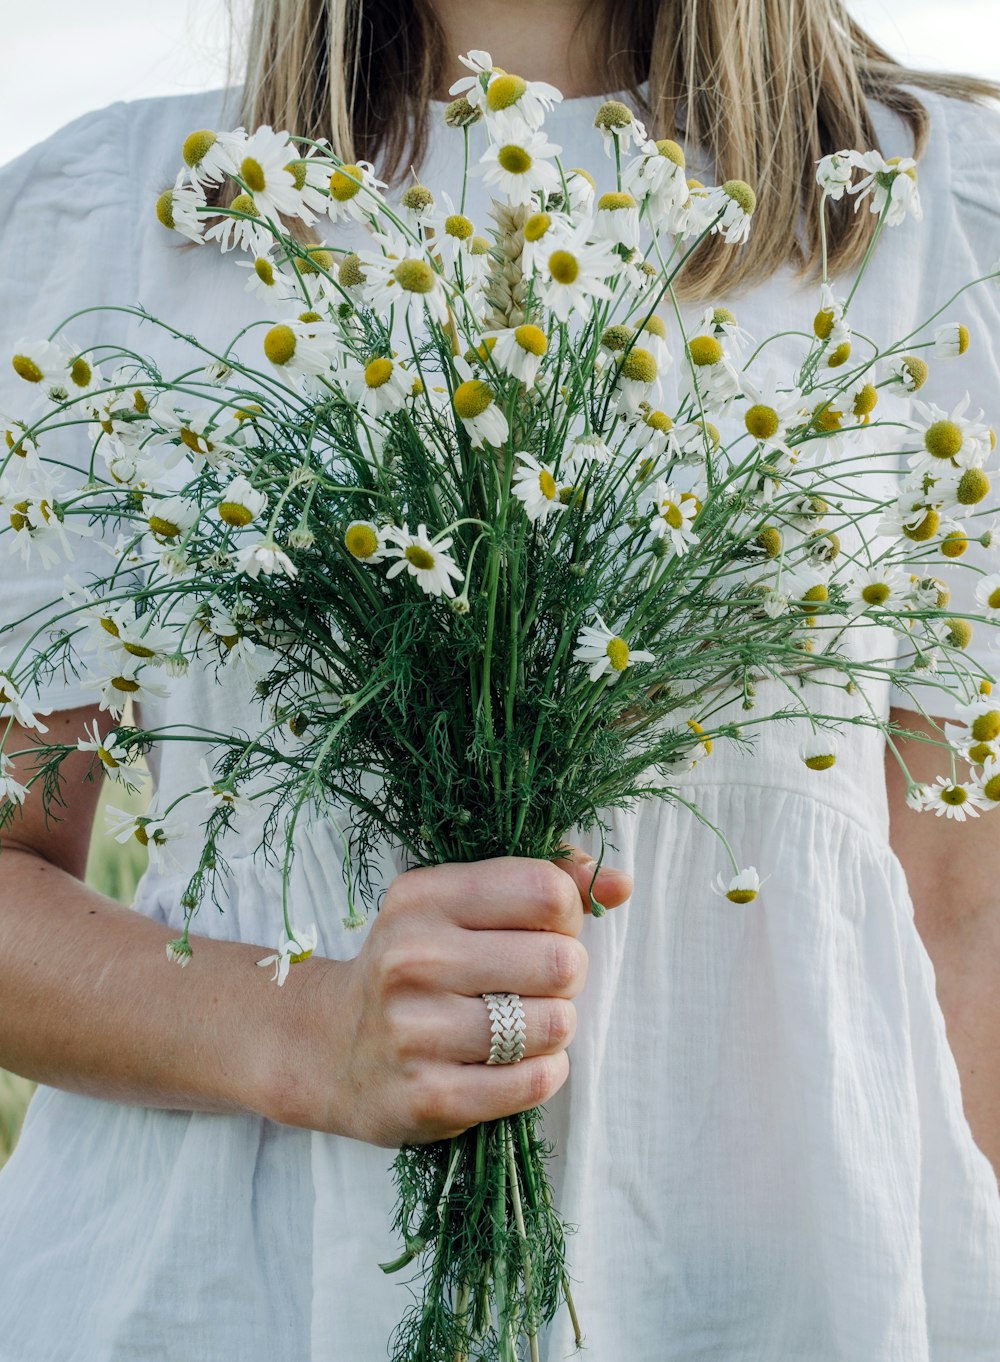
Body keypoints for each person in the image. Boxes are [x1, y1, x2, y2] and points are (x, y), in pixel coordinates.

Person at [0, 1, 999, 1357]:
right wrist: (301, 1031)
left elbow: (968, 906)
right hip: (227, 1295)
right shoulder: (116, 220)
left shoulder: (943, 213)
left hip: (776, 1291)